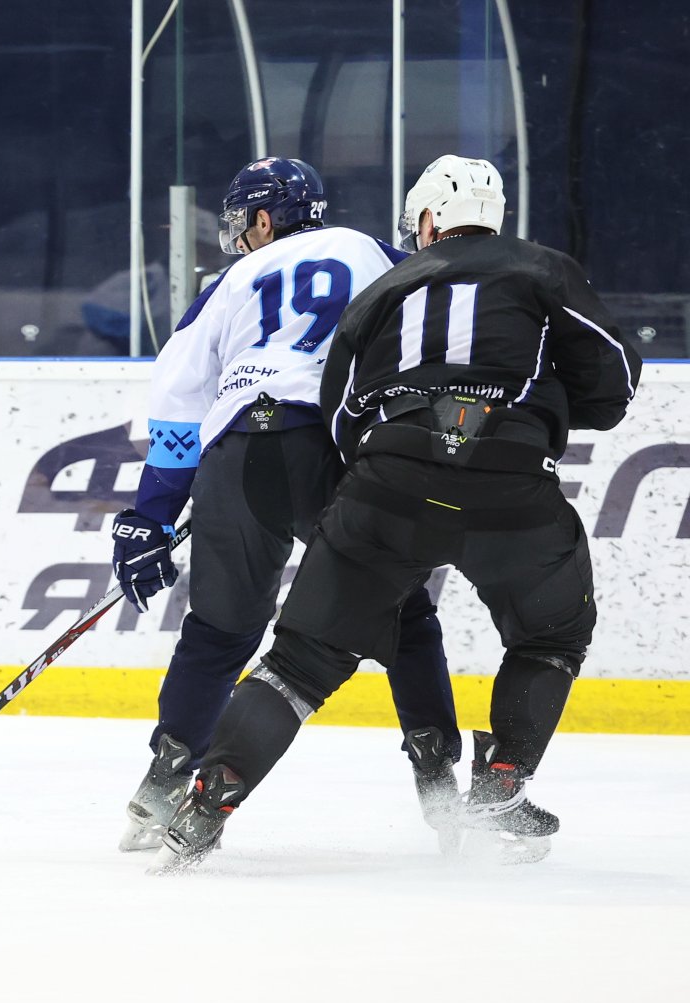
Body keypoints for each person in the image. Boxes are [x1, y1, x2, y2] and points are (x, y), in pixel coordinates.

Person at [157, 155, 641, 869]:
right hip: (510, 481)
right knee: (550, 634)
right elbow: (614, 379)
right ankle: (499, 782)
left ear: (429, 220)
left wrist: (392, 457)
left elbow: (341, 404)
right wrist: (546, 410)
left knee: (296, 664)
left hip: (387, 479)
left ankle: (206, 799)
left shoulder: (388, 284)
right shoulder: (544, 268)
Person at [111, 157, 460, 852]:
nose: (240, 236)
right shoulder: (372, 252)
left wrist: (151, 513)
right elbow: (444, 318)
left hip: (237, 453)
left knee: (218, 631)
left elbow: (178, 403)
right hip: (334, 450)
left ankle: (162, 783)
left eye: (243, 223)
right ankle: (439, 781)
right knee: (403, 611)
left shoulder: (227, 284)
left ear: (265, 220)